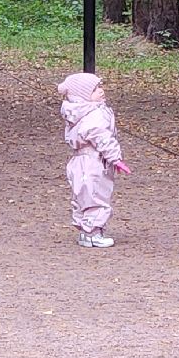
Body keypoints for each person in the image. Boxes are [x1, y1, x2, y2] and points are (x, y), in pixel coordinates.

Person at [57, 72, 131, 248]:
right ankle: (93, 233)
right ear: (83, 96)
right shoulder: (94, 116)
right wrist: (116, 158)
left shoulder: (77, 114)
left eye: (100, 87)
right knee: (95, 195)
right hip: (94, 162)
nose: (101, 91)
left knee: (83, 195)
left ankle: (86, 231)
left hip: (80, 161)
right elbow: (103, 138)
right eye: (95, 89)